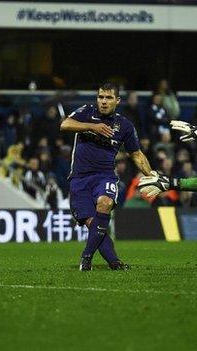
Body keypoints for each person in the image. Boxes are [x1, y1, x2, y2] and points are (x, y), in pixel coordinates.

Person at [60, 82, 154, 271]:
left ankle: (86, 257)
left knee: (105, 203)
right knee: (93, 224)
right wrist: (93, 127)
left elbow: (136, 154)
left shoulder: (125, 125)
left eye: (108, 97)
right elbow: (65, 124)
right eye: (100, 97)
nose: (103, 101)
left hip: (105, 176)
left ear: (117, 101)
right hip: (79, 178)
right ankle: (114, 262)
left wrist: (152, 176)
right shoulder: (87, 112)